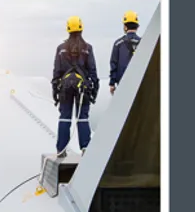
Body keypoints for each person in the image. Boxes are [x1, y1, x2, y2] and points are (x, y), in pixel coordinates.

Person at [52, 16, 99, 158]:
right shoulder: (87, 48)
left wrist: (55, 90)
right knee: (82, 117)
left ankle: (61, 149)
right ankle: (85, 147)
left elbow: (57, 71)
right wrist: (94, 90)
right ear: (81, 28)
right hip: (82, 88)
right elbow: (92, 70)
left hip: (65, 88)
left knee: (65, 117)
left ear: (68, 29)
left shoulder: (61, 49)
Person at [109, 11, 141, 94]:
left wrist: (112, 83)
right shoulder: (142, 42)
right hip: (138, 82)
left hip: (122, 83)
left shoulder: (118, 43)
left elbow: (113, 64)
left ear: (125, 27)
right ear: (137, 27)